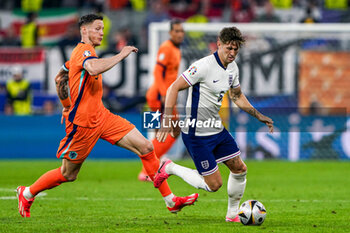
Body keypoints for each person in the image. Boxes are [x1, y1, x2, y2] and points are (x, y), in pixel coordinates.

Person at [16, 14, 198, 218]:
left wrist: (67, 107)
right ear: (84, 30)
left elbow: (60, 78)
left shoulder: (84, 53)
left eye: (103, 29)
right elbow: (92, 67)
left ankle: (170, 200)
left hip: (102, 117)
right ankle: (28, 192)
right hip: (83, 124)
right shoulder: (84, 51)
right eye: (97, 28)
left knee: (146, 148)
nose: (102, 32)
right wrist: (121, 54)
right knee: (68, 174)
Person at [153, 26, 274, 222]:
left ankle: (233, 214)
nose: (232, 53)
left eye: (236, 49)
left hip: (216, 129)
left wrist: (258, 115)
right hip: (196, 133)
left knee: (240, 168)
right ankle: (169, 167)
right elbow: (173, 87)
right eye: (228, 48)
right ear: (219, 44)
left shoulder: (233, 68)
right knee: (214, 184)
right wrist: (167, 118)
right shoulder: (203, 66)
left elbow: (236, 95)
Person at [139, 19, 185, 182]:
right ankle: (147, 169)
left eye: (181, 31)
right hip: (160, 96)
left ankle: (149, 167)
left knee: (165, 132)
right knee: (171, 130)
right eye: (177, 31)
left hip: (163, 95)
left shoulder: (175, 49)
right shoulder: (166, 48)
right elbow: (158, 73)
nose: (180, 34)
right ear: (171, 32)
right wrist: (164, 93)